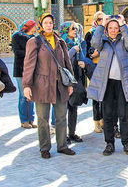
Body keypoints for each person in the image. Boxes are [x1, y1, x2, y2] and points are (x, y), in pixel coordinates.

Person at [87, 14, 128, 156]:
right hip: (107, 84)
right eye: (110, 28)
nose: (113, 30)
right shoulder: (103, 42)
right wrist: (101, 25)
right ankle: (109, 143)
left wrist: (123, 25)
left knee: (123, 114)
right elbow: (94, 42)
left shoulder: (123, 42)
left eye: (115, 28)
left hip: (121, 83)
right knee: (108, 114)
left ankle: (126, 143)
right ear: (106, 29)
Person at [23, 13, 76, 159]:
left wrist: (70, 83)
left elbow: (66, 63)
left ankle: (62, 145)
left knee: (61, 116)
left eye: (50, 23)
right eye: (45, 23)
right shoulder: (35, 42)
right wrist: (27, 85)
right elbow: (29, 65)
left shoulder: (59, 40)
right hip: (42, 85)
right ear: (41, 25)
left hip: (59, 85)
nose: (48, 25)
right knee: (43, 118)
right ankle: (45, 147)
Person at [59, 21, 93, 143]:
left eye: (76, 28)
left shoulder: (78, 42)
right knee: (63, 109)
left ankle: (72, 133)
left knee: (73, 106)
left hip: (77, 78)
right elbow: (62, 60)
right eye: (72, 28)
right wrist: (73, 50)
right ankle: (62, 136)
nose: (75, 30)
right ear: (65, 30)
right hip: (64, 80)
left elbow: (83, 58)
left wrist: (83, 61)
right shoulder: (60, 43)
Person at [11, 20, 37, 129]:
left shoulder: (34, 38)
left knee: (31, 95)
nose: (35, 29)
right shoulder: (17, 36)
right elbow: (17, 52)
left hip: (32, 70)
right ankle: (23, 120)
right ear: (29, 27)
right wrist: (30, 52)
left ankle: (31, 119)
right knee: (23, 95)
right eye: (33, 27)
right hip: (20, 70)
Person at [85, 11, 104, 133]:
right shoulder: (90, 33)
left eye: (103, 19)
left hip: (106, 67)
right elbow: (86, 53)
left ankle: (104, 120)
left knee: (106, 95)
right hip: (95, 66)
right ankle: (97, 121)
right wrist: (94, 54)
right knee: (96, 96)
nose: (101, 22)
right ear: (95, 21)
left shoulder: (108, 33)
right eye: (99, 19)